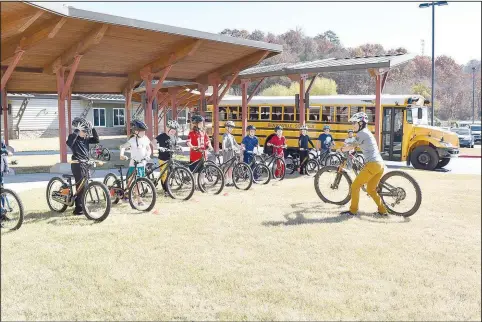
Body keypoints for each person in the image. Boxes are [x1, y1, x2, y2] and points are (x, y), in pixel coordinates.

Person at [338, 112, 388, 217]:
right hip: (379, 165)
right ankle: (383, 211)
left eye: (354, 123)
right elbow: (355, 145)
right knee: (371, 189)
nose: (353, 125)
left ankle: (353, 210)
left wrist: (341, 149)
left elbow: (352, 146)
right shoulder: (366, 132)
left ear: (361, 123)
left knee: (355, 186)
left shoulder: (361, 133)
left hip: (373, 164)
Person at [66, 117, 99, 215]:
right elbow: (69, 143)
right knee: (81, 186)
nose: (86, 133)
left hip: (85, 163)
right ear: (78, 130)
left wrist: (92, 128)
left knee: (85, 185)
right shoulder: (73, 137)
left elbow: (96, 140)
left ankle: (82, 204)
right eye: (84, 131)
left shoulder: (86, 139)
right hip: (77, 164)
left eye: (87, 131)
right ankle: (78, 209)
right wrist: (77, 130)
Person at [120, 120, 152, 206]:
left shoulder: (145, 138)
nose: (144, 133)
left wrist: (148, 155)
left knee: (139, 183)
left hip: (142, 164)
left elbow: (149, 149)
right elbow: (123, 147)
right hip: (133, 164)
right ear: (136, 131)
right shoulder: (132, 140)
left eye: (144, 131)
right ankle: (128, 194)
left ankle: (139, 200)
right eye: (142, 131)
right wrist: (122, 155)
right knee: (130, 181)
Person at [153, 120, 179, 196]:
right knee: (164, 175)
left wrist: (179, 147)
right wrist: (158, 147)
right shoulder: (162, 136)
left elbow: (175, 145)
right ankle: (165, 190)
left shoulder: (173, 137)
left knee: (170, 174)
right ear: (168, 128)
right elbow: (152, 142)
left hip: (171, 158)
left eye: (175, 130)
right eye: (173, 130)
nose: (174, 132)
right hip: (163, 158)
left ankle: (168, 188)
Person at [222, 121, 240, 186]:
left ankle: (230, 180)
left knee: (231, 167)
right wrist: (224, 148)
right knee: (227, 166)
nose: (232, 129)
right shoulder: (225, 135)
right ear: (227, 128)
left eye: (232, 128)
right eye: (230, 127)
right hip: (227, 153)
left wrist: (241, 147)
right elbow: (224, 142)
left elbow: (235, 144)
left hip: (232, 153)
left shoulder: (232, 136)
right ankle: (226, 181)